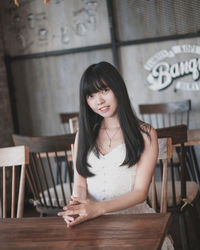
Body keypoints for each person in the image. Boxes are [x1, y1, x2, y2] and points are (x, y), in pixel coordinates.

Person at [58, 61, 174, 249]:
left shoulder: (145, 134)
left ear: (118, 88)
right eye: (91, 95)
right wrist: (76, 206)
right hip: (93, 222)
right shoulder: (84, 134)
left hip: (133, 221)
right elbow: (80, 183)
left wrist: (97, 209)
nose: (99, 101)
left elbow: (139, 193)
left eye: (104, 90)